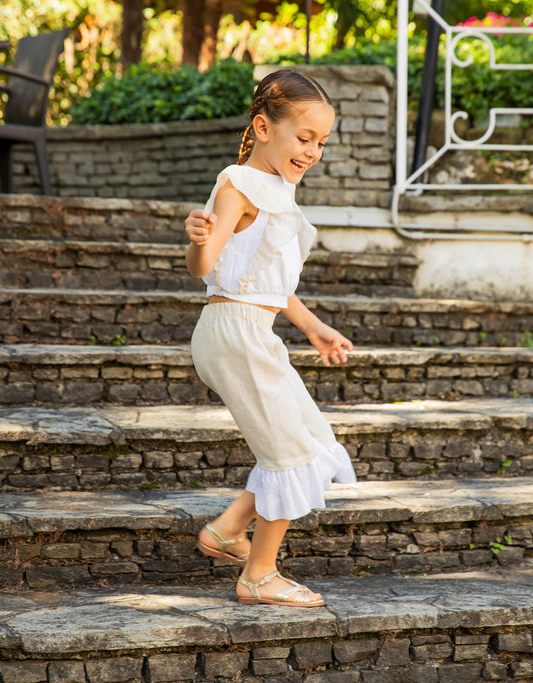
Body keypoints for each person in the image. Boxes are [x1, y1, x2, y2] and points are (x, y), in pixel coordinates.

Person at [183, 69, 356, 608]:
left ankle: (229, 530)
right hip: (233, 331)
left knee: (311, 443)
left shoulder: (277, 191)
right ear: (262, 126)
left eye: (321, 143)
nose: (313, 152)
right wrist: (197, 240)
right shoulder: (239, 183)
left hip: (252, 328)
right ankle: (258, 575)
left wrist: (313, 327)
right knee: (289, 454)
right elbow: (204, 267)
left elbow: (269, 284)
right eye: (304, 138)